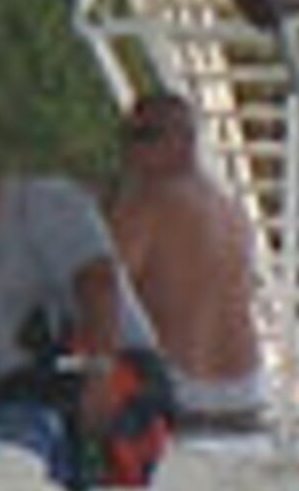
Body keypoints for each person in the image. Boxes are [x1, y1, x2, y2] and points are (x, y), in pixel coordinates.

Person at [0, 141, 168, 480]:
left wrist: (100, 371)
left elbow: (97, 282)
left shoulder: (44, 205)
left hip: (105, 378)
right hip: (25, 400)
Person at [106, 89, 269, 429]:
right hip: (248, 388)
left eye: (144, 136)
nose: (131, 149)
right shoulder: (229, 208)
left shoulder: (150, 204)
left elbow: (103, 290)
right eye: (128, 137)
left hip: (184, 388)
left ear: (183, 141)